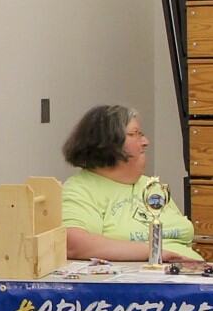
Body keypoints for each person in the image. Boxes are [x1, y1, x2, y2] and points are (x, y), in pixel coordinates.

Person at [58, 105, 203, 261]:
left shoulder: (152, 186)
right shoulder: (80, 189)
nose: (146, 142)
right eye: (135, 134)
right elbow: (73, 244)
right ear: (107, 142)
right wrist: (156, 253)